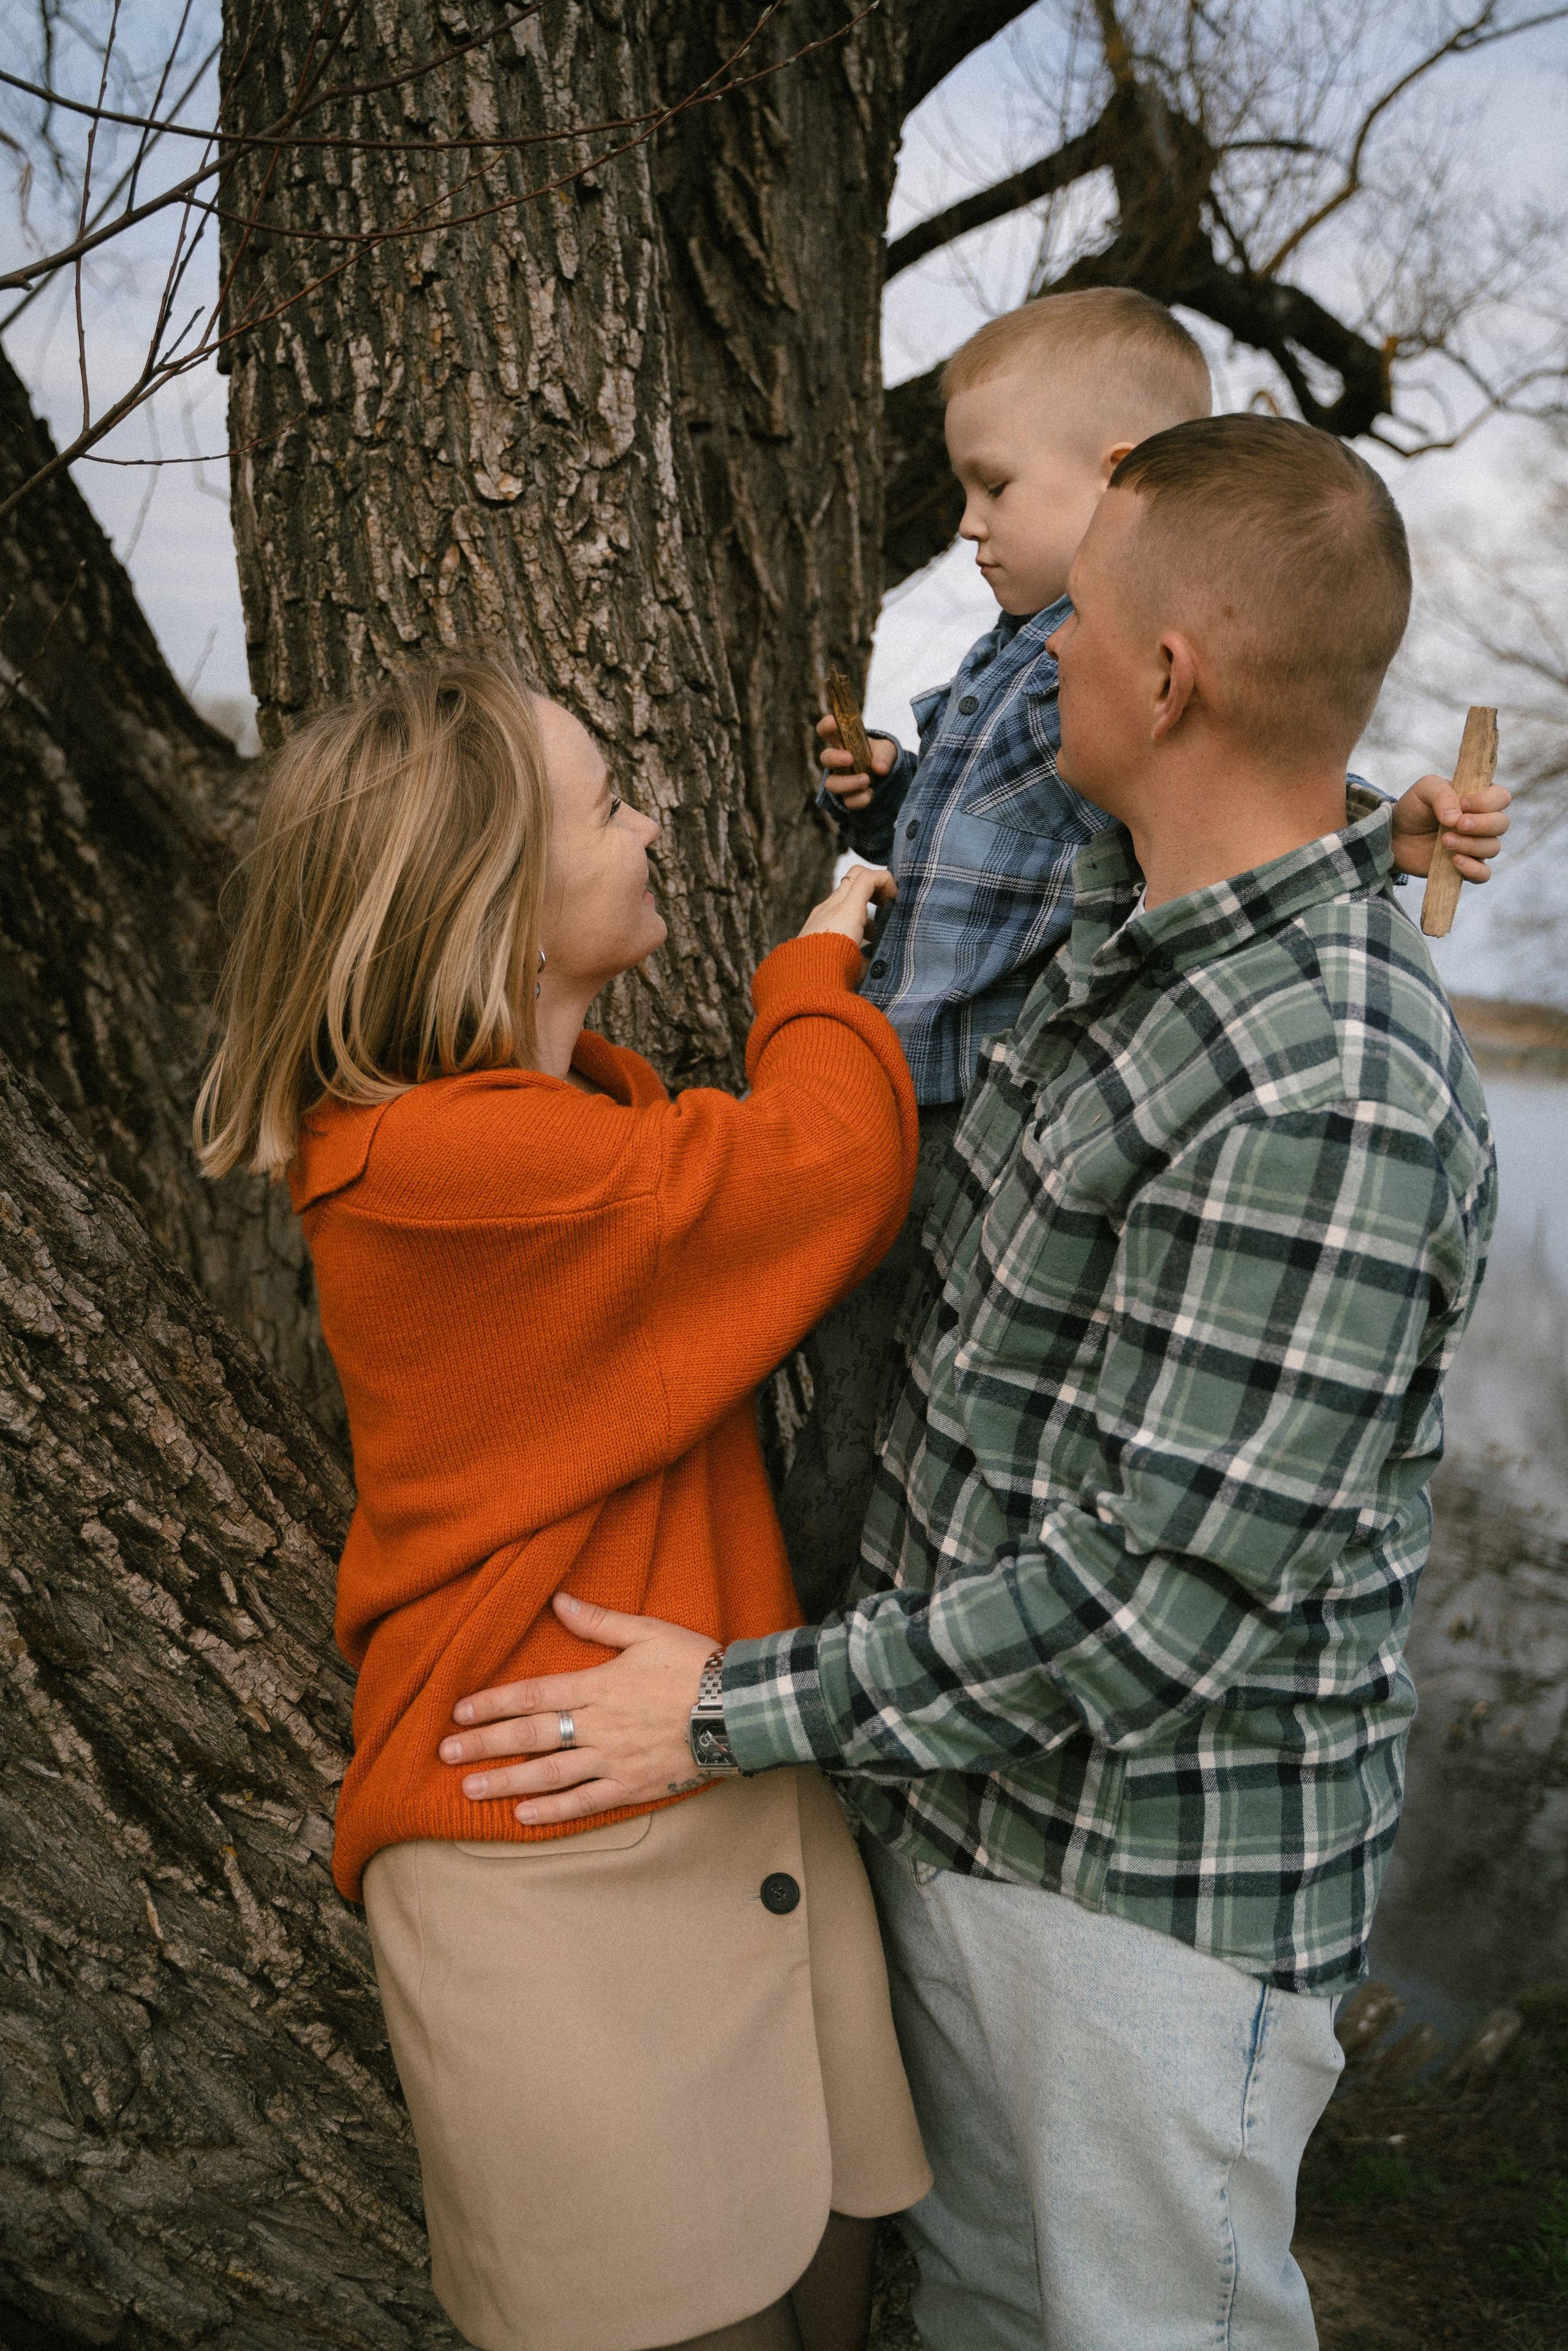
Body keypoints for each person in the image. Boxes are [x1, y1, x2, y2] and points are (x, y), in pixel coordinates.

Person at [437, 417, 1499, 2350]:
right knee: (994, 2316)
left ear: (1166, 676)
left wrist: (732, 1708)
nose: (1042, 656)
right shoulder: (1115, 936)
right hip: (968, 1824)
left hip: (1148, 1910)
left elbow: (1152, 1595)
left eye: (1077, 618)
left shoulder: (1325, 1080)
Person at [194, 656, 932, 2351]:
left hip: (714, 1772)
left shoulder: (565, 1126)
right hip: (550, 1852)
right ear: (500, 903)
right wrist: (814, 969)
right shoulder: (449, 1169)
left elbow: (691, 1178)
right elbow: (832, 1163)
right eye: (610, 803)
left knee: (833, 2279)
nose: (654, 820)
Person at [779, 287, 1511, 1620]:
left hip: (952, 1089)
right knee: (858, 1384)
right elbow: (1005, 816)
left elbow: (1247, 753)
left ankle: (797, 1614)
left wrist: (1381, 825)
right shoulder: (1019, 658)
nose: (966, 523)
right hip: (896, 1067)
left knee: (865, 1389)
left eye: (991, 484)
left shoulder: (1321, 1088)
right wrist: (883, 784)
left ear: (1115, 482)